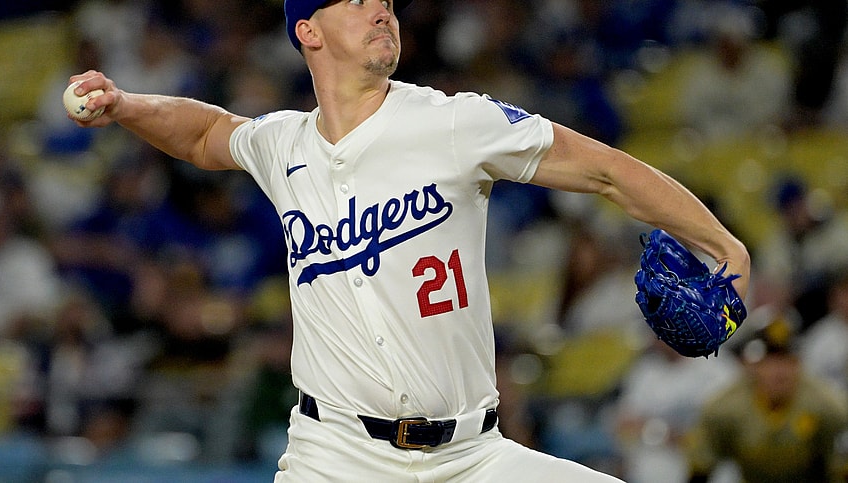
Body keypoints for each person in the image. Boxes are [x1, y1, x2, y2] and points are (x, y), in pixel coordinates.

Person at [64, 0, 750, 480]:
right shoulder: (284, 144)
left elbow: (604, 170)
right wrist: (127, 106)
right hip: (334, 456)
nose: (382, 9)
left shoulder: (455, 123)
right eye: (358, 0)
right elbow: (207, 132)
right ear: (308, 29)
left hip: (473, 457)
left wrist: (726, 247)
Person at [685, 309, 848, 483]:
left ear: (798, 364)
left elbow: (840, 468)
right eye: (770, 363)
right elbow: (701, 466)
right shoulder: (725, 408)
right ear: (753, 366)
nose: (779, 372)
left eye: (787, 361)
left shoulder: (828, 405)